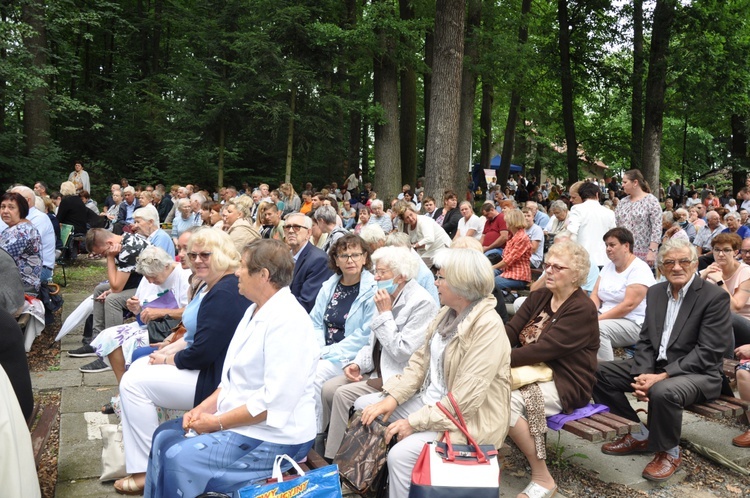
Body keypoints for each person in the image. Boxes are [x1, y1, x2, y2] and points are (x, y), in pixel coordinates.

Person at [141, 239, 318, 496]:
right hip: (245, 421)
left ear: (264, 275)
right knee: (164, 435)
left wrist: (217, 423)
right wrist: (201, 409)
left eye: (243, 267)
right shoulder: (255, 310)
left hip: (277, 437)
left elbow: (273, 403)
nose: (236, 272)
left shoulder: (288, 321)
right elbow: (231, 380)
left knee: (179, 457)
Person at [359, 248, 511, 498]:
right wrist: (393, 398)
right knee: (365, 408)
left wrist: (412, 423)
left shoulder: (487, 327)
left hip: (467, 420)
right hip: (432, 402)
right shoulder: (447, 313)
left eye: (440, 278)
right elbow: (419, 363)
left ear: (461, 284)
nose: (435, 283)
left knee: (401, 455)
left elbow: (463, 402)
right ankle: (368, 486)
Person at [115, 228, 252, 495]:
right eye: (193, 254)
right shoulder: (210, 284)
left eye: (205, 254)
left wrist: (168, 359)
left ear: (222, 254)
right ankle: (142, 463)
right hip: (206, 368)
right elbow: (193, 334)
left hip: (215, 380)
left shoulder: (223, 291)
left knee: (132, 384)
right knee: (137, 369)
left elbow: (202, 353)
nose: (198, 259)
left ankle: (144, 468)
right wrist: (168, 349)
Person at [593, 238, 732, 483]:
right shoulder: (657, 292)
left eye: (683, 261)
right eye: (669, 262)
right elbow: (646, 339)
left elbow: (709, 351)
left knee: (663, 390)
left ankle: (669, 452)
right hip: (657, 367)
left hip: (700, 373)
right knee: (596, 372)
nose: (676, 267)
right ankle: (638, 433)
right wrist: (642, 374)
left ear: (695, 263)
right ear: (661, 267)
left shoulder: (713, 297)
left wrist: (662, 376)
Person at [321, 246, 439, 459]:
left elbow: (403, 352)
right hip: (377, 368)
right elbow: (372, 342)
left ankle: (335, 459)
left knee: (341, 394)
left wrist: (385, 314)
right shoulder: (386, 294)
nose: (376, 276)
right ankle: (326, 439)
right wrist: (358, 364)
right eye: (376, 270)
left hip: (397, 375)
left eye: (382, 272)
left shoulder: (421, 302)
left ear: (401, 275)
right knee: (328, 388)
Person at [505, 241, 599, 498]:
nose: (549, 271)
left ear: (576, 274)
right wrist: (489, 347)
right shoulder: (541, 296)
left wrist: (496, 359)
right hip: (527, 371)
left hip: (565, 381)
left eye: (558, 267)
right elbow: (512, 330)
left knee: (505, 401)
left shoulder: (582, 308)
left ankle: (543, 478)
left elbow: (544, 350)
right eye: (547, 265)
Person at [84, 246, 191, 378]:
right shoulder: (150, 279)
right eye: (147, 277)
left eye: (153, 276)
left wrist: (160, 312)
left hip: (173, 329)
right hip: (151, 325)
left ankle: (130, 385)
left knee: (130, 343)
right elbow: (142, 313)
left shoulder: (183, 275)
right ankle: (122, 386)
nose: (151, 281)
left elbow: (190, 312)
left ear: (165, 267)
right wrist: (136, 308)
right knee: (109, 336)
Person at [310, 234, 377, 436]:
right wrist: (318, 348)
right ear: (336, 260)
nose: (350, 260)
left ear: (365, 258)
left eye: (356, 255)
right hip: (322, 351)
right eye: (344, 255)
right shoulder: (330, 286)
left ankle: (315, 434)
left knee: (315, 376)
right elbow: (315, 321)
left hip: (350, 357)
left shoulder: (371, 289)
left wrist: (327, 352)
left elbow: (365, 334)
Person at [68, 229, 150, 355]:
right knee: (99, 290)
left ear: (109, 244)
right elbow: (123, 281)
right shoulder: (125, 239)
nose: (104, 256)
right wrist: (110, 289)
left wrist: (110, 258)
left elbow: (117, 287)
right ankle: (97, 341)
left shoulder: (128, 249)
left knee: (113, 300)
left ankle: (112, 350)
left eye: (103, 253)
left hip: (152, 289)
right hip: (140, 284)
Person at [591, 228, 655, 361]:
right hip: (606, 316)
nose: (608, 249)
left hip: (634, 322)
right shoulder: (608, 267)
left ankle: (605, 372)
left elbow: (628, 305)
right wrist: (588, 313)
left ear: (626, 246)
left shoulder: (639, 269)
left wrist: (596, 319)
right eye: (606, 245)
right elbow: (596, 294)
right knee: (572, 322)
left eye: (612, 245)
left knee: (597, 329)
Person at [699, 233, 750, 350]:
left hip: (745, 324)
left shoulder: (746, 272)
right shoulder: (709, 271)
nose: (721, 254)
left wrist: (720, 282)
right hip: (719, 325)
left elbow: (734, 308)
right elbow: (691, 302)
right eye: (717, 250)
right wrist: (702, 277)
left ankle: (727, 360)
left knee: (724, 315)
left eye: (726, 250)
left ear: (735, 252)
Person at [285, 213, 334, 313]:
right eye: (287, 227)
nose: (290, 231)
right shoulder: (284, 257)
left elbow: (307, 303)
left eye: (296, 227)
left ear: (308, 233)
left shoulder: (319, 260)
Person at [615, 169, 662, 266]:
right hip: (624, 252)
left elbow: (657, 228)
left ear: (635, 182)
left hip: (644, 254)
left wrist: (652, 251)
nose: (622, 185)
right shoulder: (623, 202)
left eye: (625, 182)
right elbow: (617, 226)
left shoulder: (651, 201)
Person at [0, 193, 42, 295]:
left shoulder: (22, 231)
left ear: (21, 210)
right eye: (2, 207)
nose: (5, 211)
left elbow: (2, 259)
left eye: (11, 207)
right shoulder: (13, 228)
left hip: (21, 286)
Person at [567, 181, 616, 268]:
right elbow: (614, 236)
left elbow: (571, 234)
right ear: (597, 195)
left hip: (583, 260)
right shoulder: (609, 213)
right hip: (604, 260)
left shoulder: (577, 209)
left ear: (581, 196)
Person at [492, 208, 531, 291]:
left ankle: (502, 298)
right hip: (506, 271)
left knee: (491, 283)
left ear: (512, 222)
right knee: (484, 276)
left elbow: (508, 260)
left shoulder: (522, 238)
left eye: (507, 221)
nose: (505, 223)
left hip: (518, 276)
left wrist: (492, 267)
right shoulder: (511, 236)